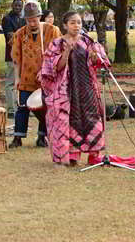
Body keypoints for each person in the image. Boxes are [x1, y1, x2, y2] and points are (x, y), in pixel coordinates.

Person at [40, 11, 109, 166]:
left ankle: (94, 155)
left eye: (79, 22)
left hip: (87, 88)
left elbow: (102, 62)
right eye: (72, 22)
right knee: (70, 122)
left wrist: (95, 57)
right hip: (66, 91)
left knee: (91, 119)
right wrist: (67, 52)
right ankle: (72, 156)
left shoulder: (88, 41)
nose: (76, 26)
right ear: (65, 25)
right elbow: (52, 68)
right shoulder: (57, 44)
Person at [9, 2, 61, 148]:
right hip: (26, 77)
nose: (32, 23)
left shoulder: (52, 30)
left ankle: (42, 137)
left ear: (40, 17)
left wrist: (46, 70)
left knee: (45, 107)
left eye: (35, 19)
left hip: (46, 77)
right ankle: (17, 137)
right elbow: (16, 57)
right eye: (29, 20)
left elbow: (56, 54)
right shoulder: (19, 34)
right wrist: (17, 78)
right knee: (22, 106)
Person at [2, 0, 25, 119]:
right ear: (12, 5)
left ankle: (21, 106)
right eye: (16, 5)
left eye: (20, 6)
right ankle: (11, 109)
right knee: (11, 82)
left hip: (25, 55)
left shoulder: (23, 19)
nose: (18, 7)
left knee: (22, 82)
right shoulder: (7, 19)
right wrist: (23, 35)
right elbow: (11, 37)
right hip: (12, 55)